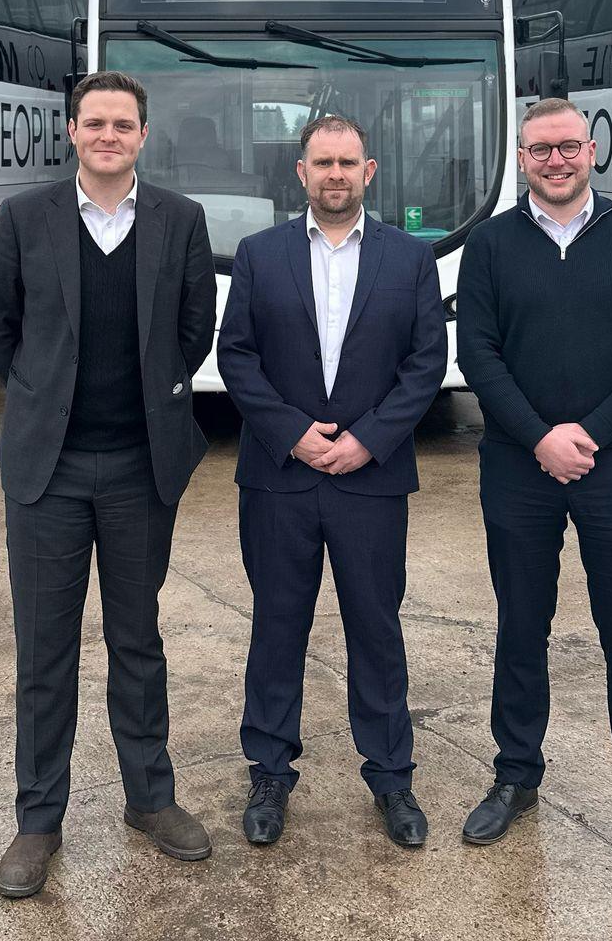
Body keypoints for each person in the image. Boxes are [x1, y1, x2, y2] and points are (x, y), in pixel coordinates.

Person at [0, 71, 219, 898]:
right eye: (94, 123)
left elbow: (194, 332)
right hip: (48, 471)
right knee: (44, 652)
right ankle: (37, 822)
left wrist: (143, 407)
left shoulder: (180, 221)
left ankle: (150, 800)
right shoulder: (24, 218)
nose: (108, 135)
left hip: (140, 468)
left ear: (143, 135)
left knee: (137, 642)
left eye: (123, 124)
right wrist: (44, 401)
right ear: (72, 132)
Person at [453, 97, 612, 873]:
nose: (553, 162)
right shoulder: (490, 245)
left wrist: (587, 436)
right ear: (521, 159)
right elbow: (479, 354)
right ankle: (515, 777)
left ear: (590, 152)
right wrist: (539, 437)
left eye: (566, 148)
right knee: (519, 629)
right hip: (517, 466)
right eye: (539, 151)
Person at [216, 115, 448, 848]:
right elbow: (238, 358)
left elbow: (425, 364)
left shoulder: (411, 259)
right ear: (302, 173)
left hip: (370, 480)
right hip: (280, 477)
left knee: (376, 630)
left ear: (370, 172)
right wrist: (294, 434)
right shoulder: (260, 255)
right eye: (323, 162)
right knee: (277, 625)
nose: (336, 174)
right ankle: (270, 773)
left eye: (349, 162)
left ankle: (391, 778)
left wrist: (367, 441)